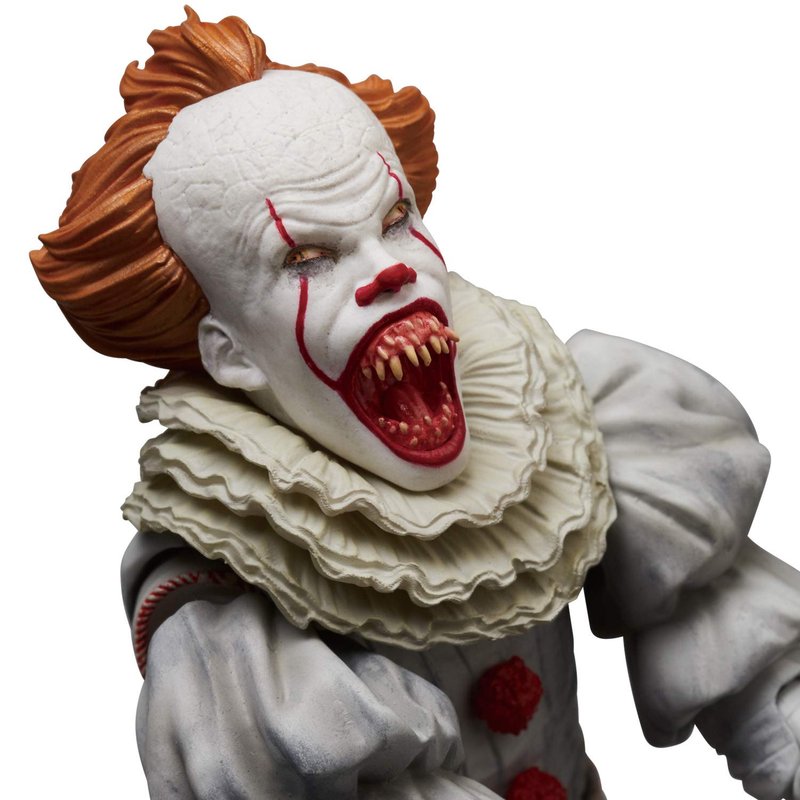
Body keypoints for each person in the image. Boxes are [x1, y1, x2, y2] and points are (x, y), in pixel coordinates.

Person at [30, 10, 800, 799]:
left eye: (396, 220)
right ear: (230, 352)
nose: (390, 271)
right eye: (306, 257)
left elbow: (746, 639)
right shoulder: (229, 603)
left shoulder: (563, 423)